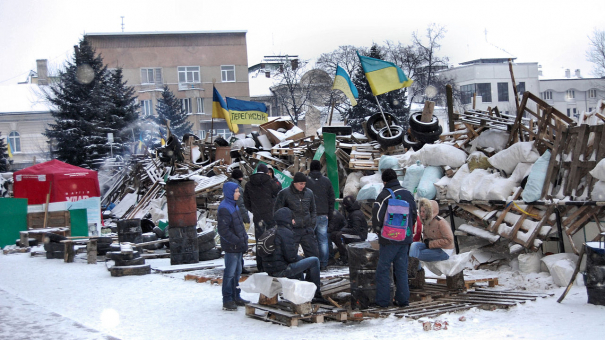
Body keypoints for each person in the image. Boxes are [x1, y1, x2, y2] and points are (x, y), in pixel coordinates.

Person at [372, 168, 417, 308]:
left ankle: (383, 301)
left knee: (383, 269)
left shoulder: (384, 195)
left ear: (384, 181)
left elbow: (377, 216)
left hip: (389, 239)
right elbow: (414, 214)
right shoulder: (408, 193)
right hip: (405, 237)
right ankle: (403, 300)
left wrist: (378, 231)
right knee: (401, 269)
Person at [262, 207, 326, 303]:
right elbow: (291, 257)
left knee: (301, 264)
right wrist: (302, 259)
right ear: (287, 219)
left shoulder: (271, 231)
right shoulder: (285, 232)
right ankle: (316, 294)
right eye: (292, 218)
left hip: (270, 269)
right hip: (281, 270)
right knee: (314, 261)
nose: (294, 221)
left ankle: (305, 290)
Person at [217, 182, 249, 311]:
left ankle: (236, 296)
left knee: (237, 272)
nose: (239, 193)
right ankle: (227, 299)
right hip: (232, 247)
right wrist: (237, 241)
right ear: (230, 193)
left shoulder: (234, 206)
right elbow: (223, 231)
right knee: (230, 273)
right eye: (236, 191)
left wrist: (244, 239)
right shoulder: (225, 208)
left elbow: (239, 226)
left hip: (238, 246)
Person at [244, 163, 281, 272]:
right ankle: (271, 263)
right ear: (266, 172)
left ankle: (261, 265)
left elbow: (246, 201)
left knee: (259, 241)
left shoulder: (249, 184)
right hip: (270, 216)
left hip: (258, 216)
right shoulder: (271, 182)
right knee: (272, 239)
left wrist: (254, 210)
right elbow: (278, 195)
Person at [274, 172, 318, 259]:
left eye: (304, 184)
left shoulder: (309, 193)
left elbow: (313, 210)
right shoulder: (285, 193)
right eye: (301, 184)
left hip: (307, 228)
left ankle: (312, 270)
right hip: (292, 230)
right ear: (295, 183)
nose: (303, 186)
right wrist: (287, 223)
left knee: (313, 254)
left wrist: (312, 224)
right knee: (290, 255)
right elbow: (278, 211)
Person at [409, 198, 454, 273]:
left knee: (416, 254)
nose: (421, 213)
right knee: (414, 245)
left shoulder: (440, 222)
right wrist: (426, 240)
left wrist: (430, 244)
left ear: (430, 212)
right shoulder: (427, 221)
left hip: (444, 250)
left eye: (424, 211)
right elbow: (426, 235)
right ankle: (414, 271)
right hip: (433, 247)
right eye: (420, 211)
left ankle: (415, 272)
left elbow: (449, 240)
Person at [305, 160, 335, 270]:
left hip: (310, 215)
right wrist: (329, 213)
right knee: (323, 240)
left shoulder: (306, 182)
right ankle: (324, 262)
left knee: (310, 239)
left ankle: (312, 262)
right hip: (323, 214)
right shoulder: (326, 181)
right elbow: (332, 198)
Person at [331, 195, 368, 265]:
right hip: (356, 234)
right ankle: (343, 254)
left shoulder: (355, 214)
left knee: (339, 235)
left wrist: (343, 230)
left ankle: (345, 257)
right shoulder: (352, 213)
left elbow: (356, 229)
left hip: (360, 236)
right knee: (334, 234)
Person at [227, 169, 251, 274]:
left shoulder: (227, 186)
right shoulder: (237, 188)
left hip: (230, 218)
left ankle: (235, 267)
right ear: (240, 178)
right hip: (237, 218)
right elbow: (240, 205)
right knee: (239, 243)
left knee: (233, 244)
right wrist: (246, 218)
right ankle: (239, 267)